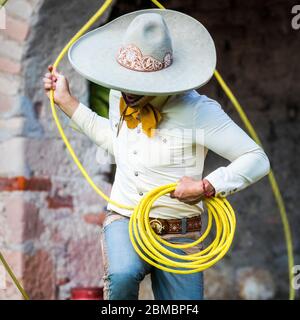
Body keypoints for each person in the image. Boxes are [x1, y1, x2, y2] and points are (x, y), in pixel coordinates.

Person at [43, 9, 270, 300]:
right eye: (124, 81)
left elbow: (256, 157)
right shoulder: (119, 95)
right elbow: (117, 143)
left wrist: (206, 187)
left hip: (181, 231)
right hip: (126, 219)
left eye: (139, 85)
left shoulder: (198, 111)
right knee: (122, 276)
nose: (128, 91)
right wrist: (67, 101)